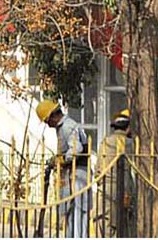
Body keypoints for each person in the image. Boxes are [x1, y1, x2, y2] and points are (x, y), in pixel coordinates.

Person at [36, 97, 91, 238]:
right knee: (70, 213)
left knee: (78, 213)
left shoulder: (67, 126)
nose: (48, 125)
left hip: (79, 174)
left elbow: (76, 149)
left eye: (47, 121)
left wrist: (61, 159)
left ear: (53, 116)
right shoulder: (64, 127)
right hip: (73, 174)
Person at [95, 109, 135, 237]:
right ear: (128, 128)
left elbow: (98, 169)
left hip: (105, 188)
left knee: (104, 223)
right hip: (124, 189)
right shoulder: (131, 144)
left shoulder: (105, 142)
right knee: (122, 225)